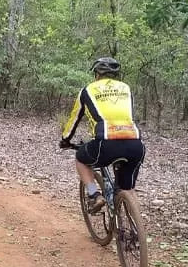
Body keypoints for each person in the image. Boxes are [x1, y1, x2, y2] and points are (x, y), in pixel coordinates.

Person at [59, 57, 145, 213]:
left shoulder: (88, 90)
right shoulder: (126, 88)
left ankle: (94, 195)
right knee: (128, 188)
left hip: (106, 143)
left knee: (80, 159)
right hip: (135, 144)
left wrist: (66, 139)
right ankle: (135, 223)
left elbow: (74, 119)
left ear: (97, 74)